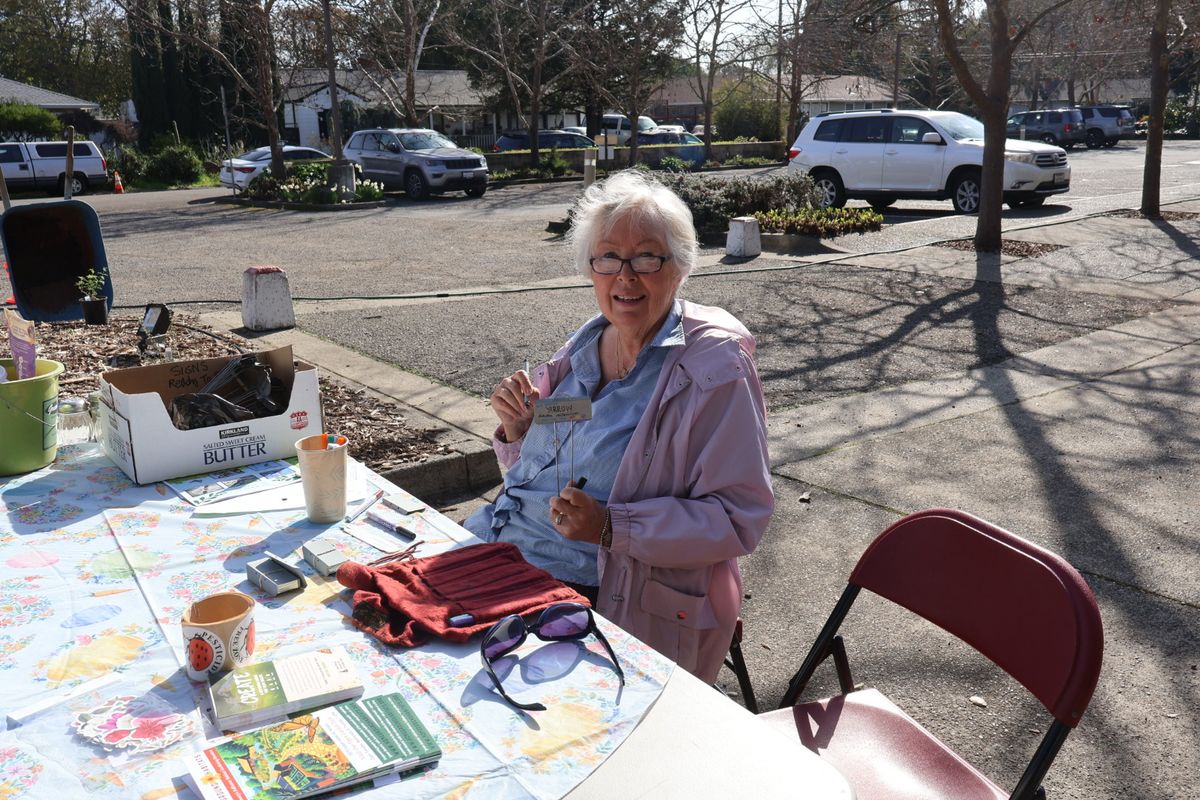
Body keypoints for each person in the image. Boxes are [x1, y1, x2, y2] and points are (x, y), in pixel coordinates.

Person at [464, 169, 773, 683]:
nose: (625, 276)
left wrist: (611, 526)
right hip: (500, 549)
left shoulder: (713, 369)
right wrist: (518, 435)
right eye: (608, 257)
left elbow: (740, 518)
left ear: (680, 267)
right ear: (591, 268)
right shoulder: (583, 346)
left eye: (647, 257)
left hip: (593, 596)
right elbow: (555, 473)